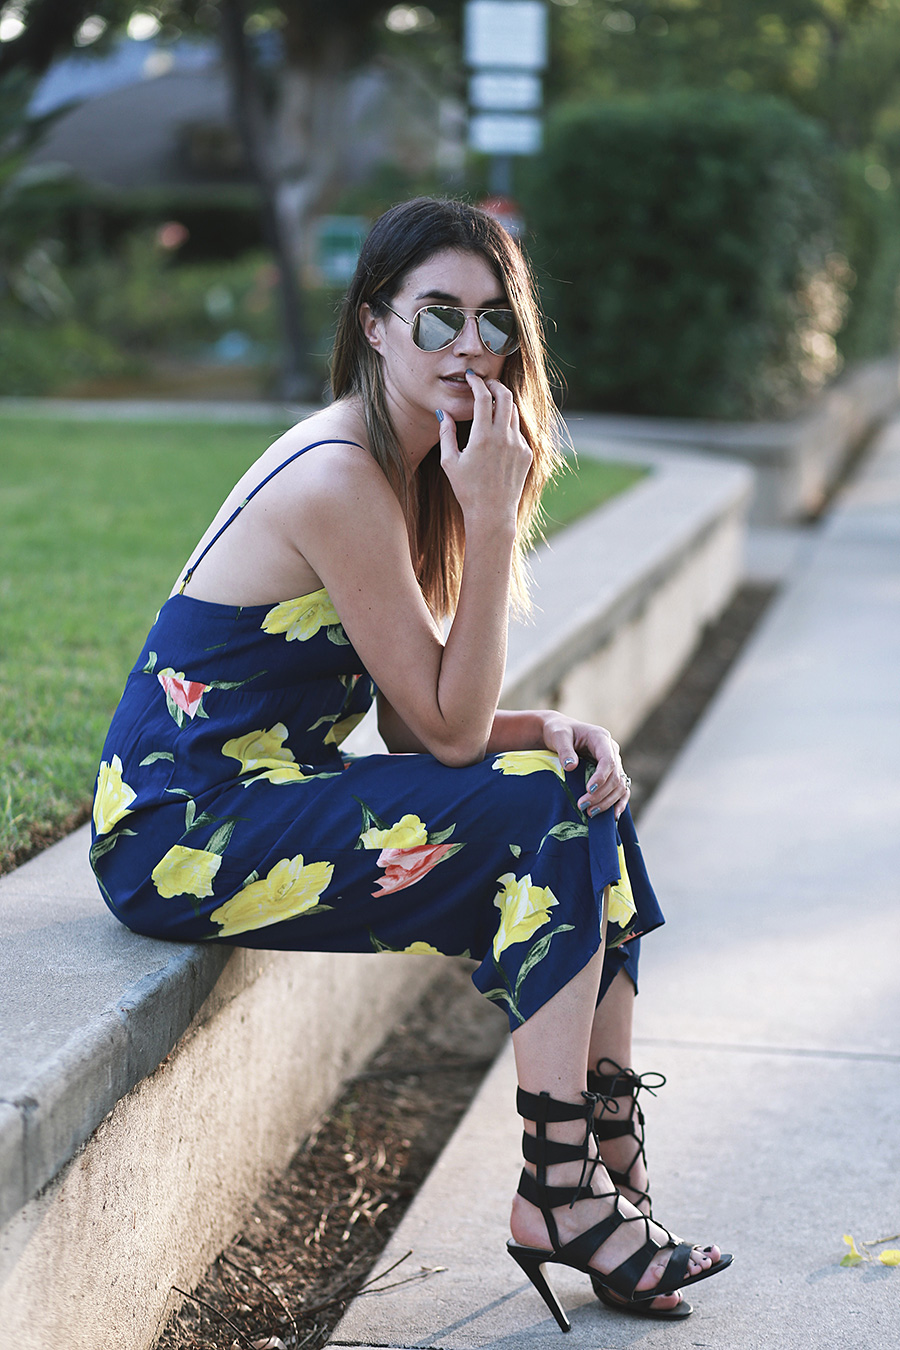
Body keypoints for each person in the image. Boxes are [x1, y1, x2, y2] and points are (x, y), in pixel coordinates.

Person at [90, 197, 731, 1326]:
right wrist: (488, 527)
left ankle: (601, 1148)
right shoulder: (343, 475)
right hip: (180, 834)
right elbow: (438, 736)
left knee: (575, 795)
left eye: (495, 325)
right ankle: (567, 1185)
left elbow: (414, 721)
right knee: (543, 817)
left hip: (263, 803)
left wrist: (549, 730)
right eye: (438, 318)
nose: (470, 349)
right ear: (375, 323)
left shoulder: (404, 459)